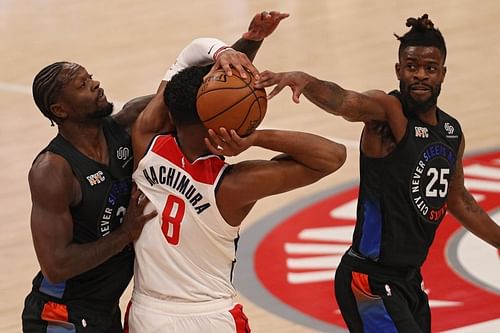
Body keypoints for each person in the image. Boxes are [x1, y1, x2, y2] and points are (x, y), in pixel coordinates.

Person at [21, 11, 286, 333]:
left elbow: (204, 95)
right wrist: (125, 234)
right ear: (60, 110)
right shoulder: (53, 170)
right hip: (61, 313)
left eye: (90, 77)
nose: (95, 84)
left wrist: (245, 44)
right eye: (82, 85)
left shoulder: (127, 124)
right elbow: (56, 265)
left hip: (106, 308)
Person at [254, 14, 500, 333]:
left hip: (409, 280)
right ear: (399, 70)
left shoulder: (451, 131)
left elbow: (460, 201)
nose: (420, 75)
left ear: (442, 73)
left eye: (430, 68)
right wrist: (307, 80)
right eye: (412, 67)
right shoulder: (387, 112)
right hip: (369, 279)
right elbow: (345, 101)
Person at [125, 18, 346, 333]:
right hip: (211, 317)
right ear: (226, 123)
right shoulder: (231, 186)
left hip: (149, 313)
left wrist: (221, 51)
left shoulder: (145, 141)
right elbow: (333, 155)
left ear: (171, 114)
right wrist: (254, 137)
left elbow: (184, 61)